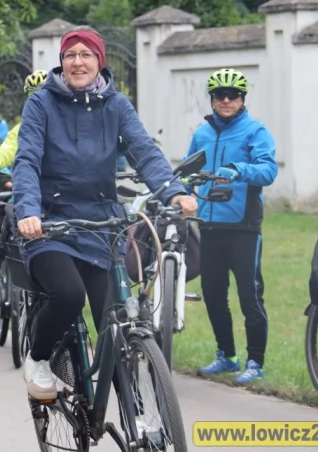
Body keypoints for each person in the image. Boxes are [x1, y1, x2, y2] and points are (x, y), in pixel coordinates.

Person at [12, 26, 196, 400]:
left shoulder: (117, 105)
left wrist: (173, 191)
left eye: (86, 54)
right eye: (70, 55)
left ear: (100, 61)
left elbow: (143, 151)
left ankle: (138, 419)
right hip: (49, 224)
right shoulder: (41, 103)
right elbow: (27, 160)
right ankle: (40, 358)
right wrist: (28, 210)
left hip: (101, 223)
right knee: (67, 295)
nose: (77, 62)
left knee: (115, 324)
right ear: (61, 62)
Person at [185, 68, 277, 384]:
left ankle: (256, 362)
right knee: (212, 293)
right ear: (212, 99)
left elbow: (268, 171)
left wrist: (239, 170)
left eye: (233, 95)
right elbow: (188, 171)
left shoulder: (255, 131)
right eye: (220, 95)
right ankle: (227, 355)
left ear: (242, 99)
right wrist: (179, 193)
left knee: (249, 295)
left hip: (244, 226)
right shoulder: (202, 133)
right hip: (208, 224)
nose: (226, 100)